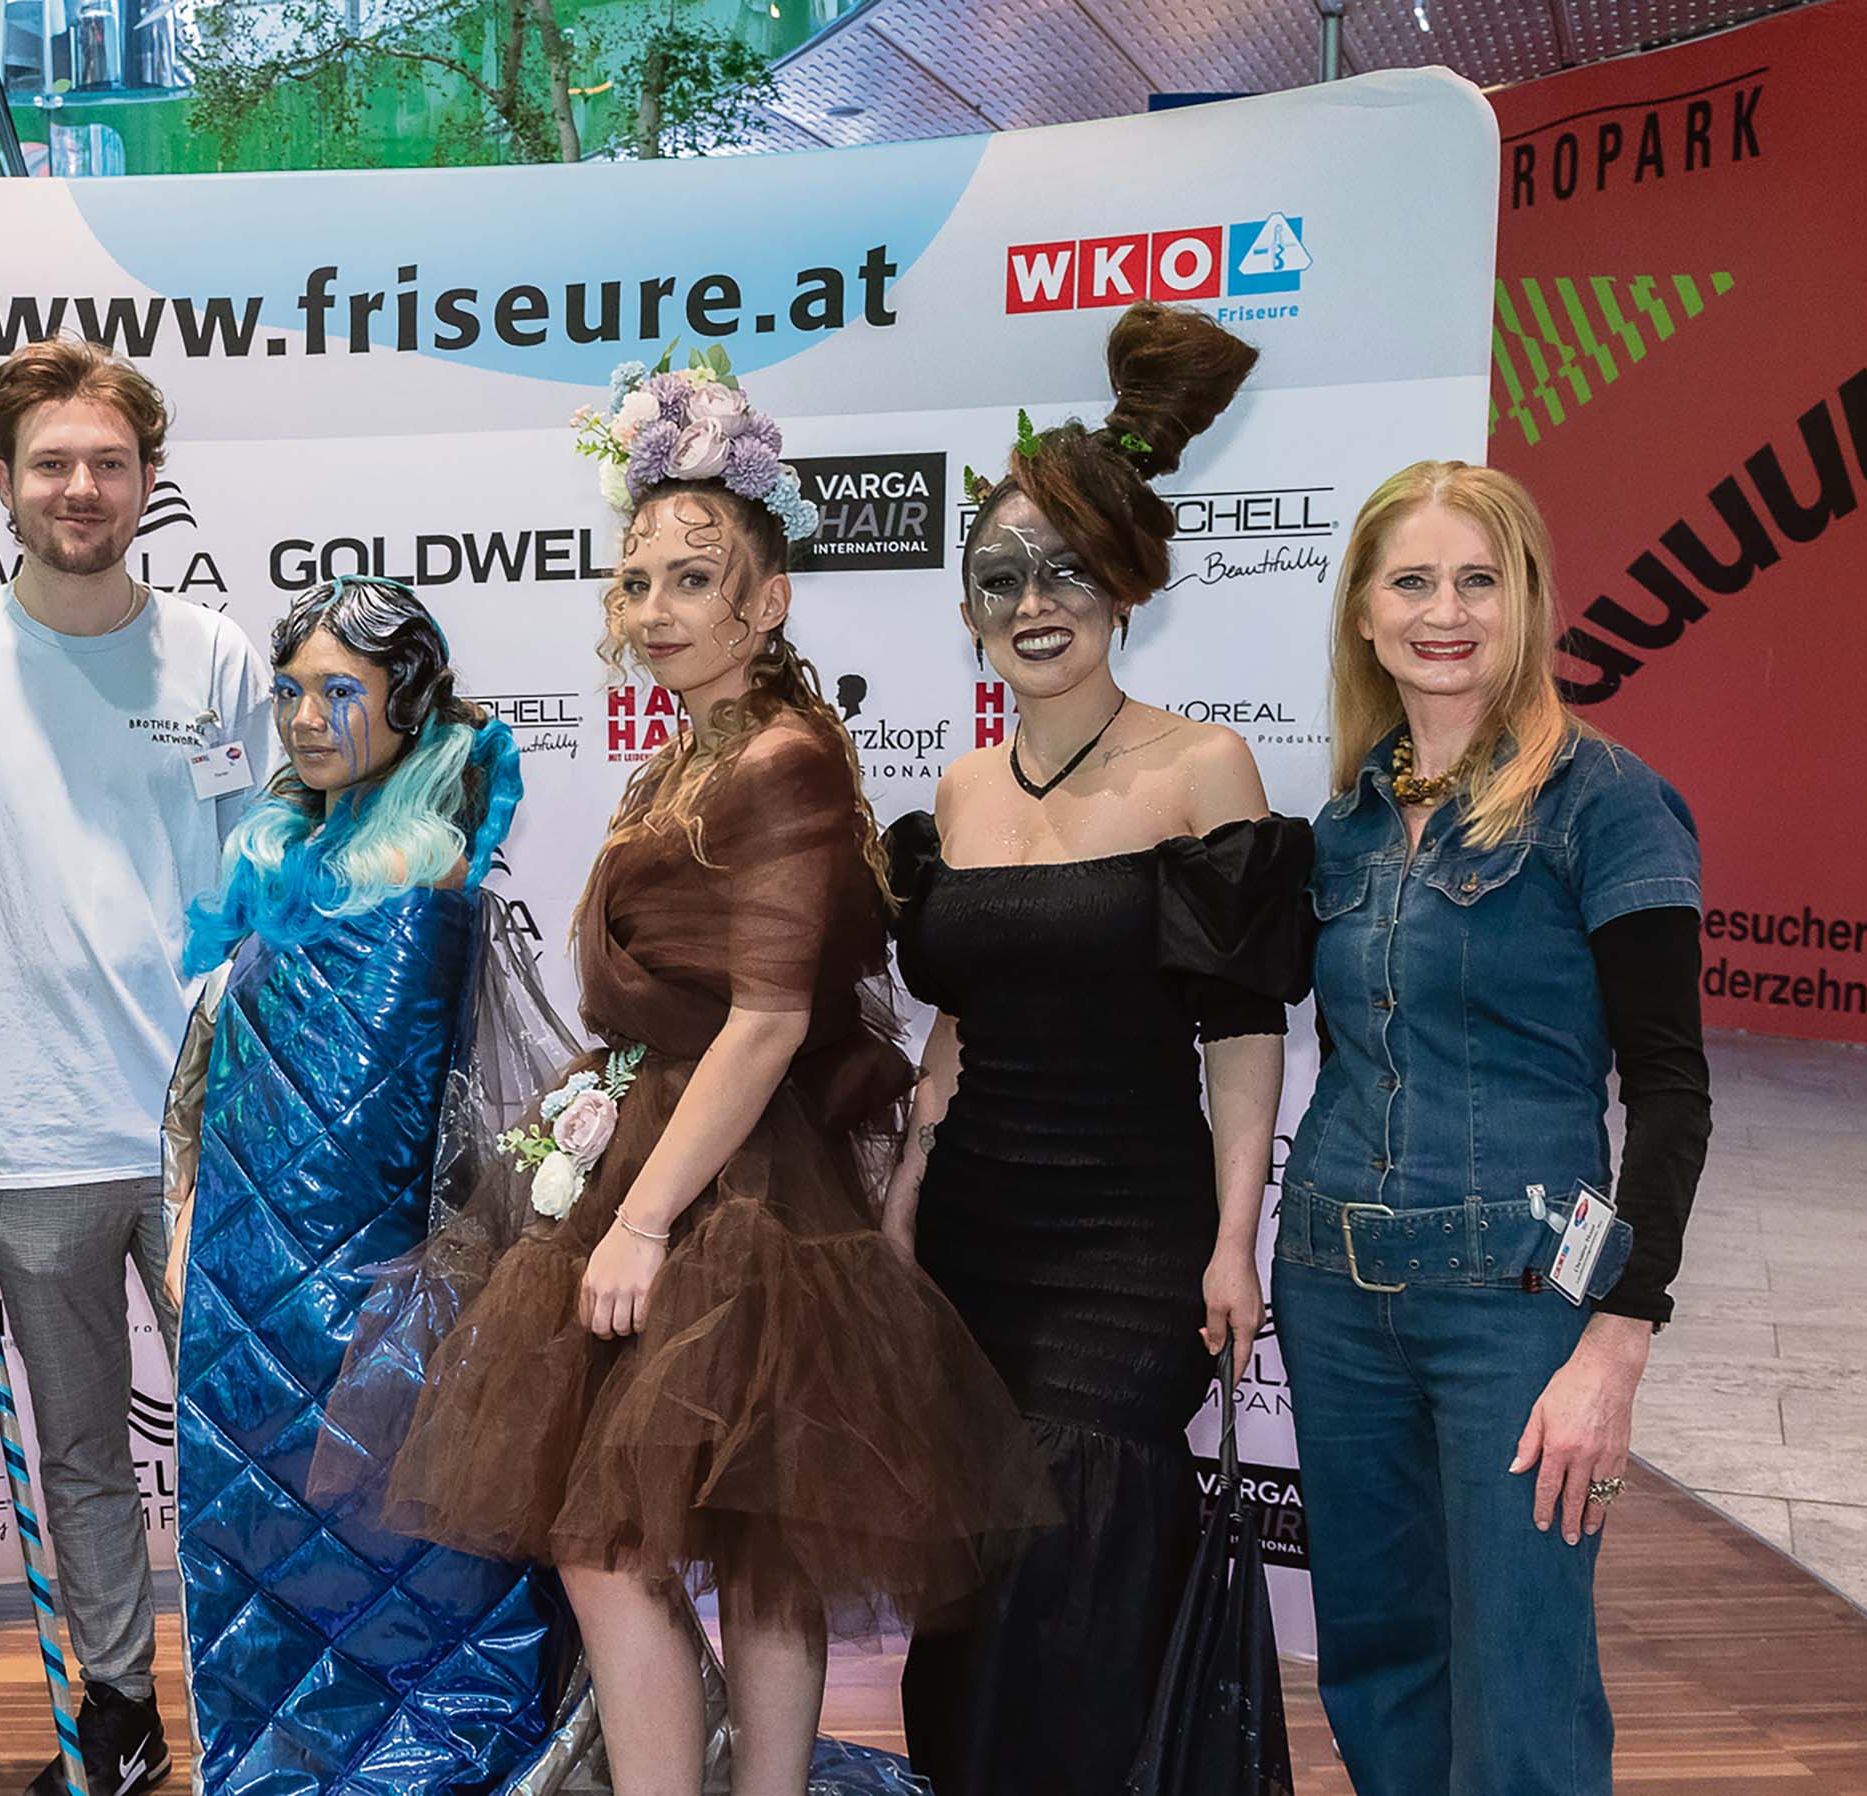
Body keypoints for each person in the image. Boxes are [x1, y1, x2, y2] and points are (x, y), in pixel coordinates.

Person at [384, 354, 1048, 1796]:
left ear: (769, 599)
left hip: (731, 1185)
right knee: (679, 1540)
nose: (656, 609)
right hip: (661, 1151)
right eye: (636, 582)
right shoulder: (688, 758)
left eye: (693, 579)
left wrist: (639, 1221)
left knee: (727, 1539)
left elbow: (765, 1020)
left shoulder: (781, 758)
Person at [877, 302, 1309, 1796]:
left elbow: (1241, 1024)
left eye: (1064, 567)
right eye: (1000, 576)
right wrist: (907, 1185)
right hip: (976, 1228)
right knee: (977, 1559)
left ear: (1123, 584)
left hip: (1132, 1234)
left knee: (1079, 1536)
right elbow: (958, 1015)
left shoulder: (1202, 766)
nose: (1033, 600)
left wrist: (1234, 1243)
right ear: (970, 609)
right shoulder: (958, 790)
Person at [0, 335, 274, 1796]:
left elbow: (261, 896)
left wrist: (260, 1104)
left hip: (202, 1138)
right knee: (84, 1454)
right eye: (52, 463)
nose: (81, 487)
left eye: (108, 462)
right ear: (2, 480)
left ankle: (260, 1713)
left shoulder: (218, 658)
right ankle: (116, 1718)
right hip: (25, 1137)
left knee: (246, 1443)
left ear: (149, 479)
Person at [1277, 461, 1708, 1796]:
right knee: (1377, 1665)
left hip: (1520, 1305)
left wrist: (1617, 1340)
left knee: (1521, 1686)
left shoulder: (1606, 800)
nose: (1444, 611)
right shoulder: (1344, 821)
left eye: (1479, 580)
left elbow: (1670, 1088)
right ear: (1364, 613)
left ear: (1526, 603)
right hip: (1331, 1289)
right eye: (1411, 580)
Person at [166, 577, 572, 1796]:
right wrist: (191, 1215)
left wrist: (319, 1281)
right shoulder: (285, 851)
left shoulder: (415, 879)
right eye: (290, 691)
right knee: (263, 1542)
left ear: (406, 702)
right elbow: (231, 1079)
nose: (305, 718)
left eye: (339, 691)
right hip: (243, 1275)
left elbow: (365, 1125)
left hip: (351, 1282)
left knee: (391, 1548)